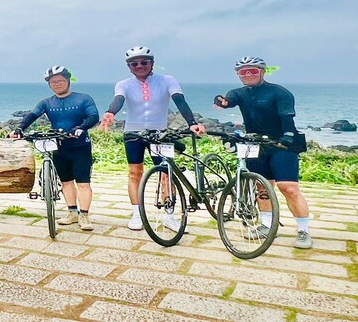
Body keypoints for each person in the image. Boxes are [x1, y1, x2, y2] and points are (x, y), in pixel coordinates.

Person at [99, 46, 205, 231]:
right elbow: (119, 99)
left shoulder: (167, 80)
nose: (139, 66)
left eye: (144, 62)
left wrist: (192, 123)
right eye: (134, 63)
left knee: (166, 174)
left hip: (160, 133)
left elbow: (179, 100)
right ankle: (137, 214)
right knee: (135, 173)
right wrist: (110, 112)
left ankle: (169, 216)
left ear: (152, 63)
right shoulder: (123, 84)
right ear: (129, 66)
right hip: (133, 133)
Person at [214, 56, 312, 249]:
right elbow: (229, 100)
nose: (248, 74)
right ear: (238, 74)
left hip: (282, 143)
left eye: (252, 70)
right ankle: (266, 225)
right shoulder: (239, 93)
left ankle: (304, 230)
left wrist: (287, 136)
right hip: (255, 144)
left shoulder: (280, 93)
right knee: (262, 186)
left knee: (289, 188)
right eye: (243, 72)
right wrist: (222, 101)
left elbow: (287, 119)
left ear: (262, 71)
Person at [10, 66, 100, 231]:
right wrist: (19, 129)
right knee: (66, 182)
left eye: (60, 80)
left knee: (83, 183)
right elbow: (32, 115)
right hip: (59, 146)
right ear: (49, 84)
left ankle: (84, 216)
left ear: (68, 81)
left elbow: (93, 116)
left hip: (80, 146)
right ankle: (72, 213)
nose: (57, 84)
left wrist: (81, 127)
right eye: (53, 82)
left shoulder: (83, 98)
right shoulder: (46, 102)